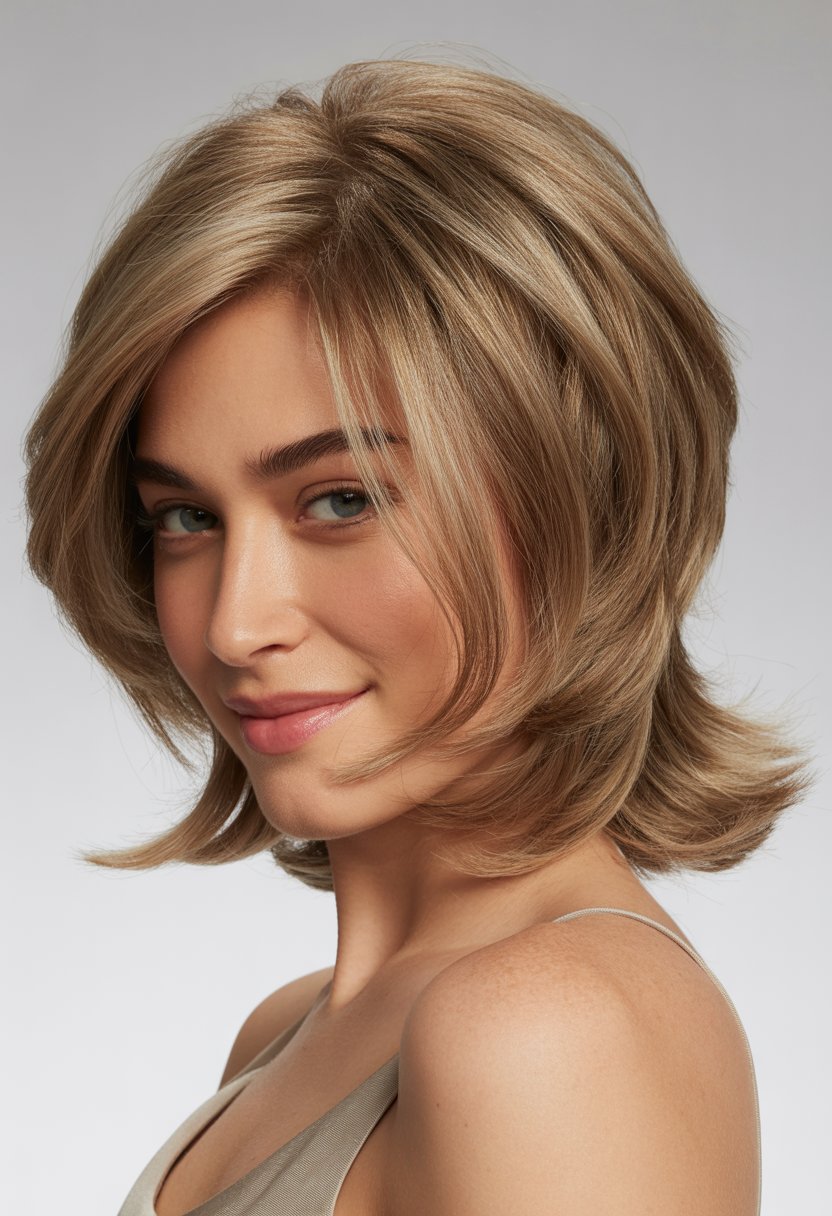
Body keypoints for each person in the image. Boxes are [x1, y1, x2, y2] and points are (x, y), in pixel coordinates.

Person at [22, 56, 813, 1216]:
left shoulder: (551, 1030)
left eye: (338, 500)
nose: (237, 622)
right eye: (184, 518)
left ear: (569, 505)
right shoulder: (286, 1037)